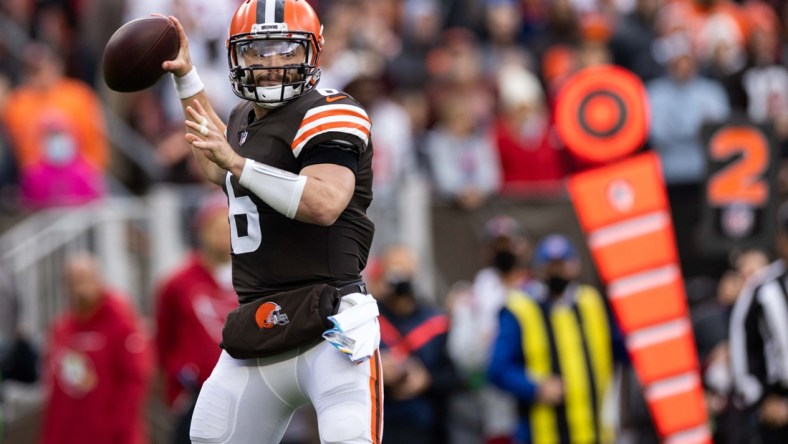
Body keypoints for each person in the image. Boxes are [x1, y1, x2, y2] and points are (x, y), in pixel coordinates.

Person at [161, 0, 381, 442]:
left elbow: (325, 202)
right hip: (257, 325)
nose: (271, 64)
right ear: (236, 56)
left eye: (285, 50)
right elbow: (215, 165)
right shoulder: (242, 118)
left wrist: (237, 164)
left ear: (312, 53)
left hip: (330, 321)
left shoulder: (331, 111)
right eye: (257, 51)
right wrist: (186, 77)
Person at [487, 234, 624, 444]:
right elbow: (497, 368)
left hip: (595, 431)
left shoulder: (590, 302)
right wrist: (534, 387)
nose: (557, 272)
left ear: (575, 266)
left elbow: (621, 348)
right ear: (539, 269)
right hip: (542, 433)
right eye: (551, 266)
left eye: (562, 265)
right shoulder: (520, 308)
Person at [40, 253, 152, 444]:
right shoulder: (62, 329)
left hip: (113, 435)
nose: (79, 286)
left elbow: (135, 381)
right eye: (73, 280)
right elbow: (57, 390)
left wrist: (115, 428)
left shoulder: (121, 322)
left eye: (85, 278)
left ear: (99, 279)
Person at [154, 191, 237, 444]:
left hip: (242, 389)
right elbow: (163, 339)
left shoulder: (252, 279)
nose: (223, 234)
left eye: (229, 226)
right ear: (202, 231)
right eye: (216, 227)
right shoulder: (178, 283)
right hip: (195, 394)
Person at [372, 245, 457, 444]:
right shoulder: (369, 321)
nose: (399, 277)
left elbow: (455, 377)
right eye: (394, 269)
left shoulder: (436, 322)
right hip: (381, 427)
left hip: (427, 426)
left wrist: (426, 380)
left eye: (405, 269)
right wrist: (377, 369)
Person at [729, 203, 788, 443]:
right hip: (778, 404)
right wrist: (762, 399)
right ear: (781, 240)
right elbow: (743, 346)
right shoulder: (763, 288)